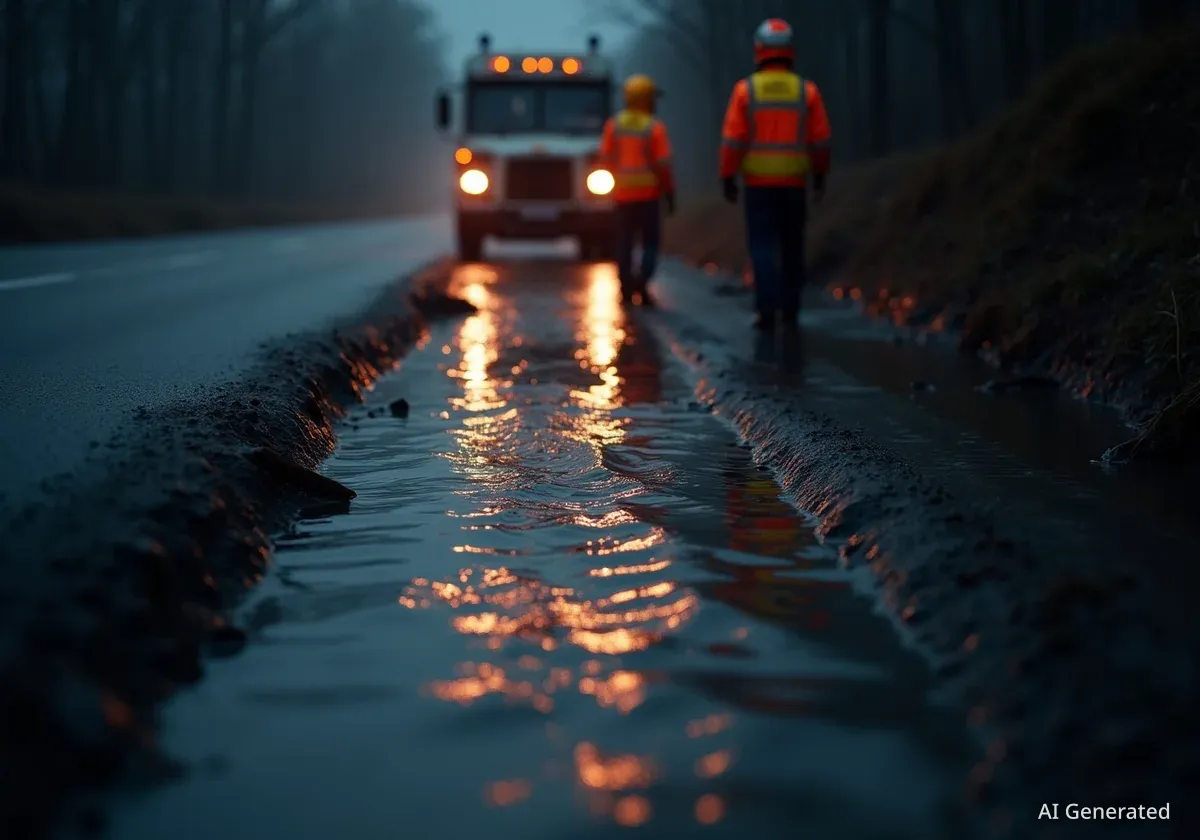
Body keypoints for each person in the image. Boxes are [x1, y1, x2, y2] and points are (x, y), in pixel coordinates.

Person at [718, 18, 833, 330]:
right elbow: (821, 140)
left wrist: (727, 176)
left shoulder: (746, 91)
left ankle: (766, 309)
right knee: (793, 245)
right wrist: (820, 176)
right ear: (790, 49)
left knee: (763, 247)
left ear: (759, 49)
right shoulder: (806, 91)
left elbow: (733, 140)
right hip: (795, 184)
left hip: (758, 186)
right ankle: (791, 309)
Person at [599, 74, 676, 306]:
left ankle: (625, 290)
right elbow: (663, 166)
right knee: (650, 242)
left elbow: (604, 160)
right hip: (649, 197)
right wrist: (670, 193)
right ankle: (642, 282)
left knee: (624, 243)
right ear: (647, 99)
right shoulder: (654, 127)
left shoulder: (614, 125)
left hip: (623, 197)